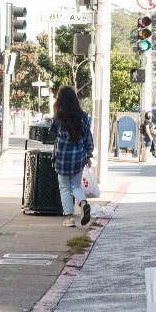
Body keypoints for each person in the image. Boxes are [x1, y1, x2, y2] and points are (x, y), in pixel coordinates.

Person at [49, 86, 94, 227]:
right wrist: (89, 155)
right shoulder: (84, 117)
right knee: (75, 185)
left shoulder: (58, 117)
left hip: (62, 157)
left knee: (64, 188)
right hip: (78, 156)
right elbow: (88, 137)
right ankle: (83, 203)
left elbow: (52, 130)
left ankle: (70, 218)